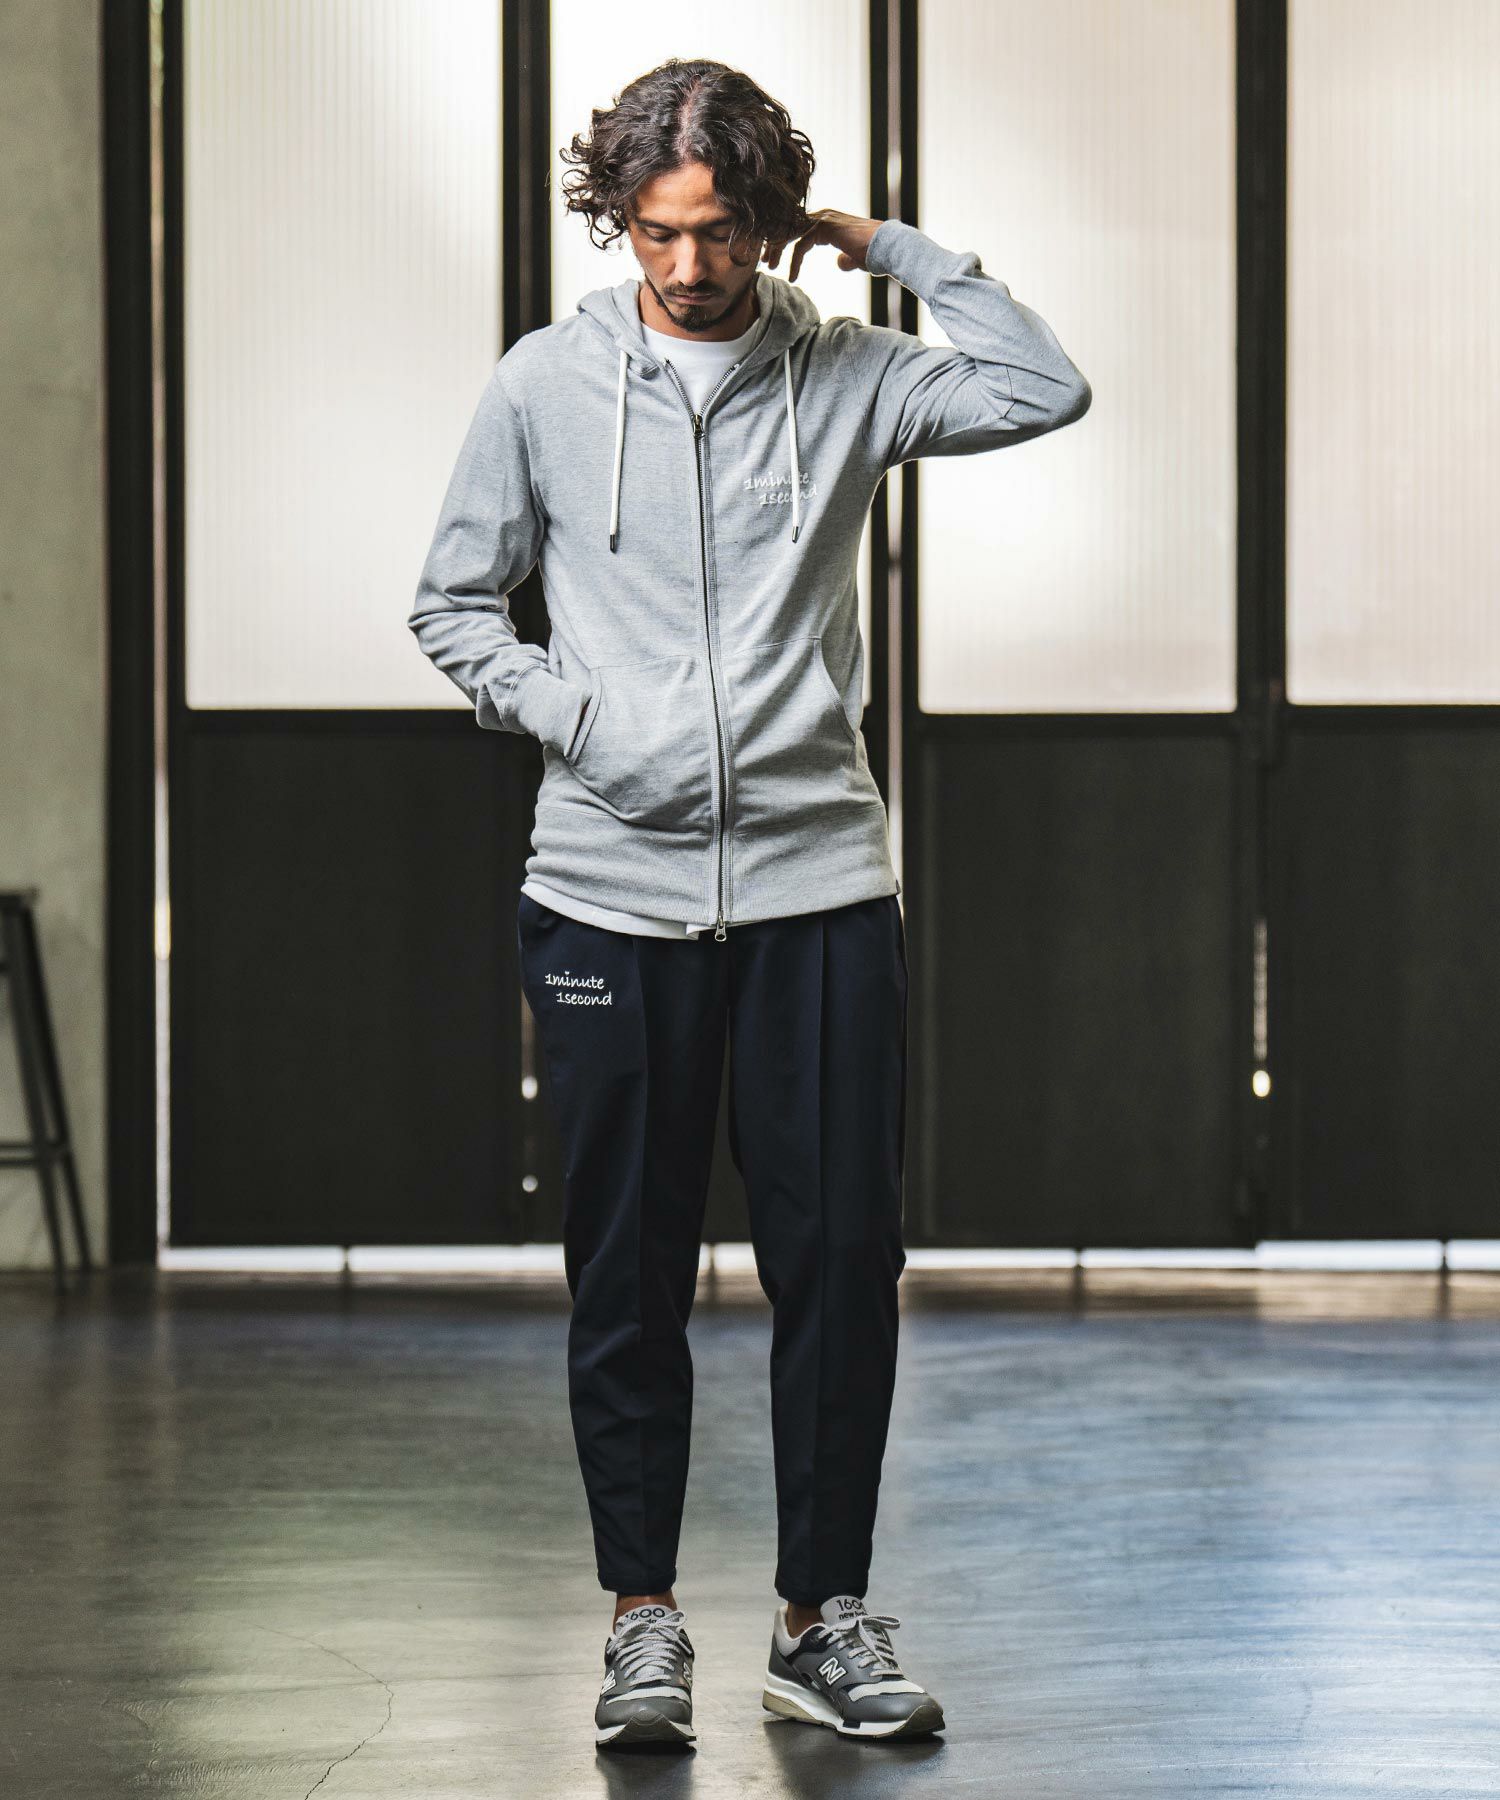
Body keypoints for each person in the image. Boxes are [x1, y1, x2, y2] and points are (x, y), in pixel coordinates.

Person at [410, 56, 1090, 1751]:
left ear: (767, 223)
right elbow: (454, 606)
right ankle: (641, 1621)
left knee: (842, 1261)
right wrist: (584, 721)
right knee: (628, 1276)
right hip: (605, 895)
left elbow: (1046, 386)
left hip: (817, 886)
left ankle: (819, 1619)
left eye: (721, 232)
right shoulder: (543, 384)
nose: (689, 265)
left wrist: (888, 248)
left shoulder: (848, 373)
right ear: (618, 221)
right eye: (657, 232)